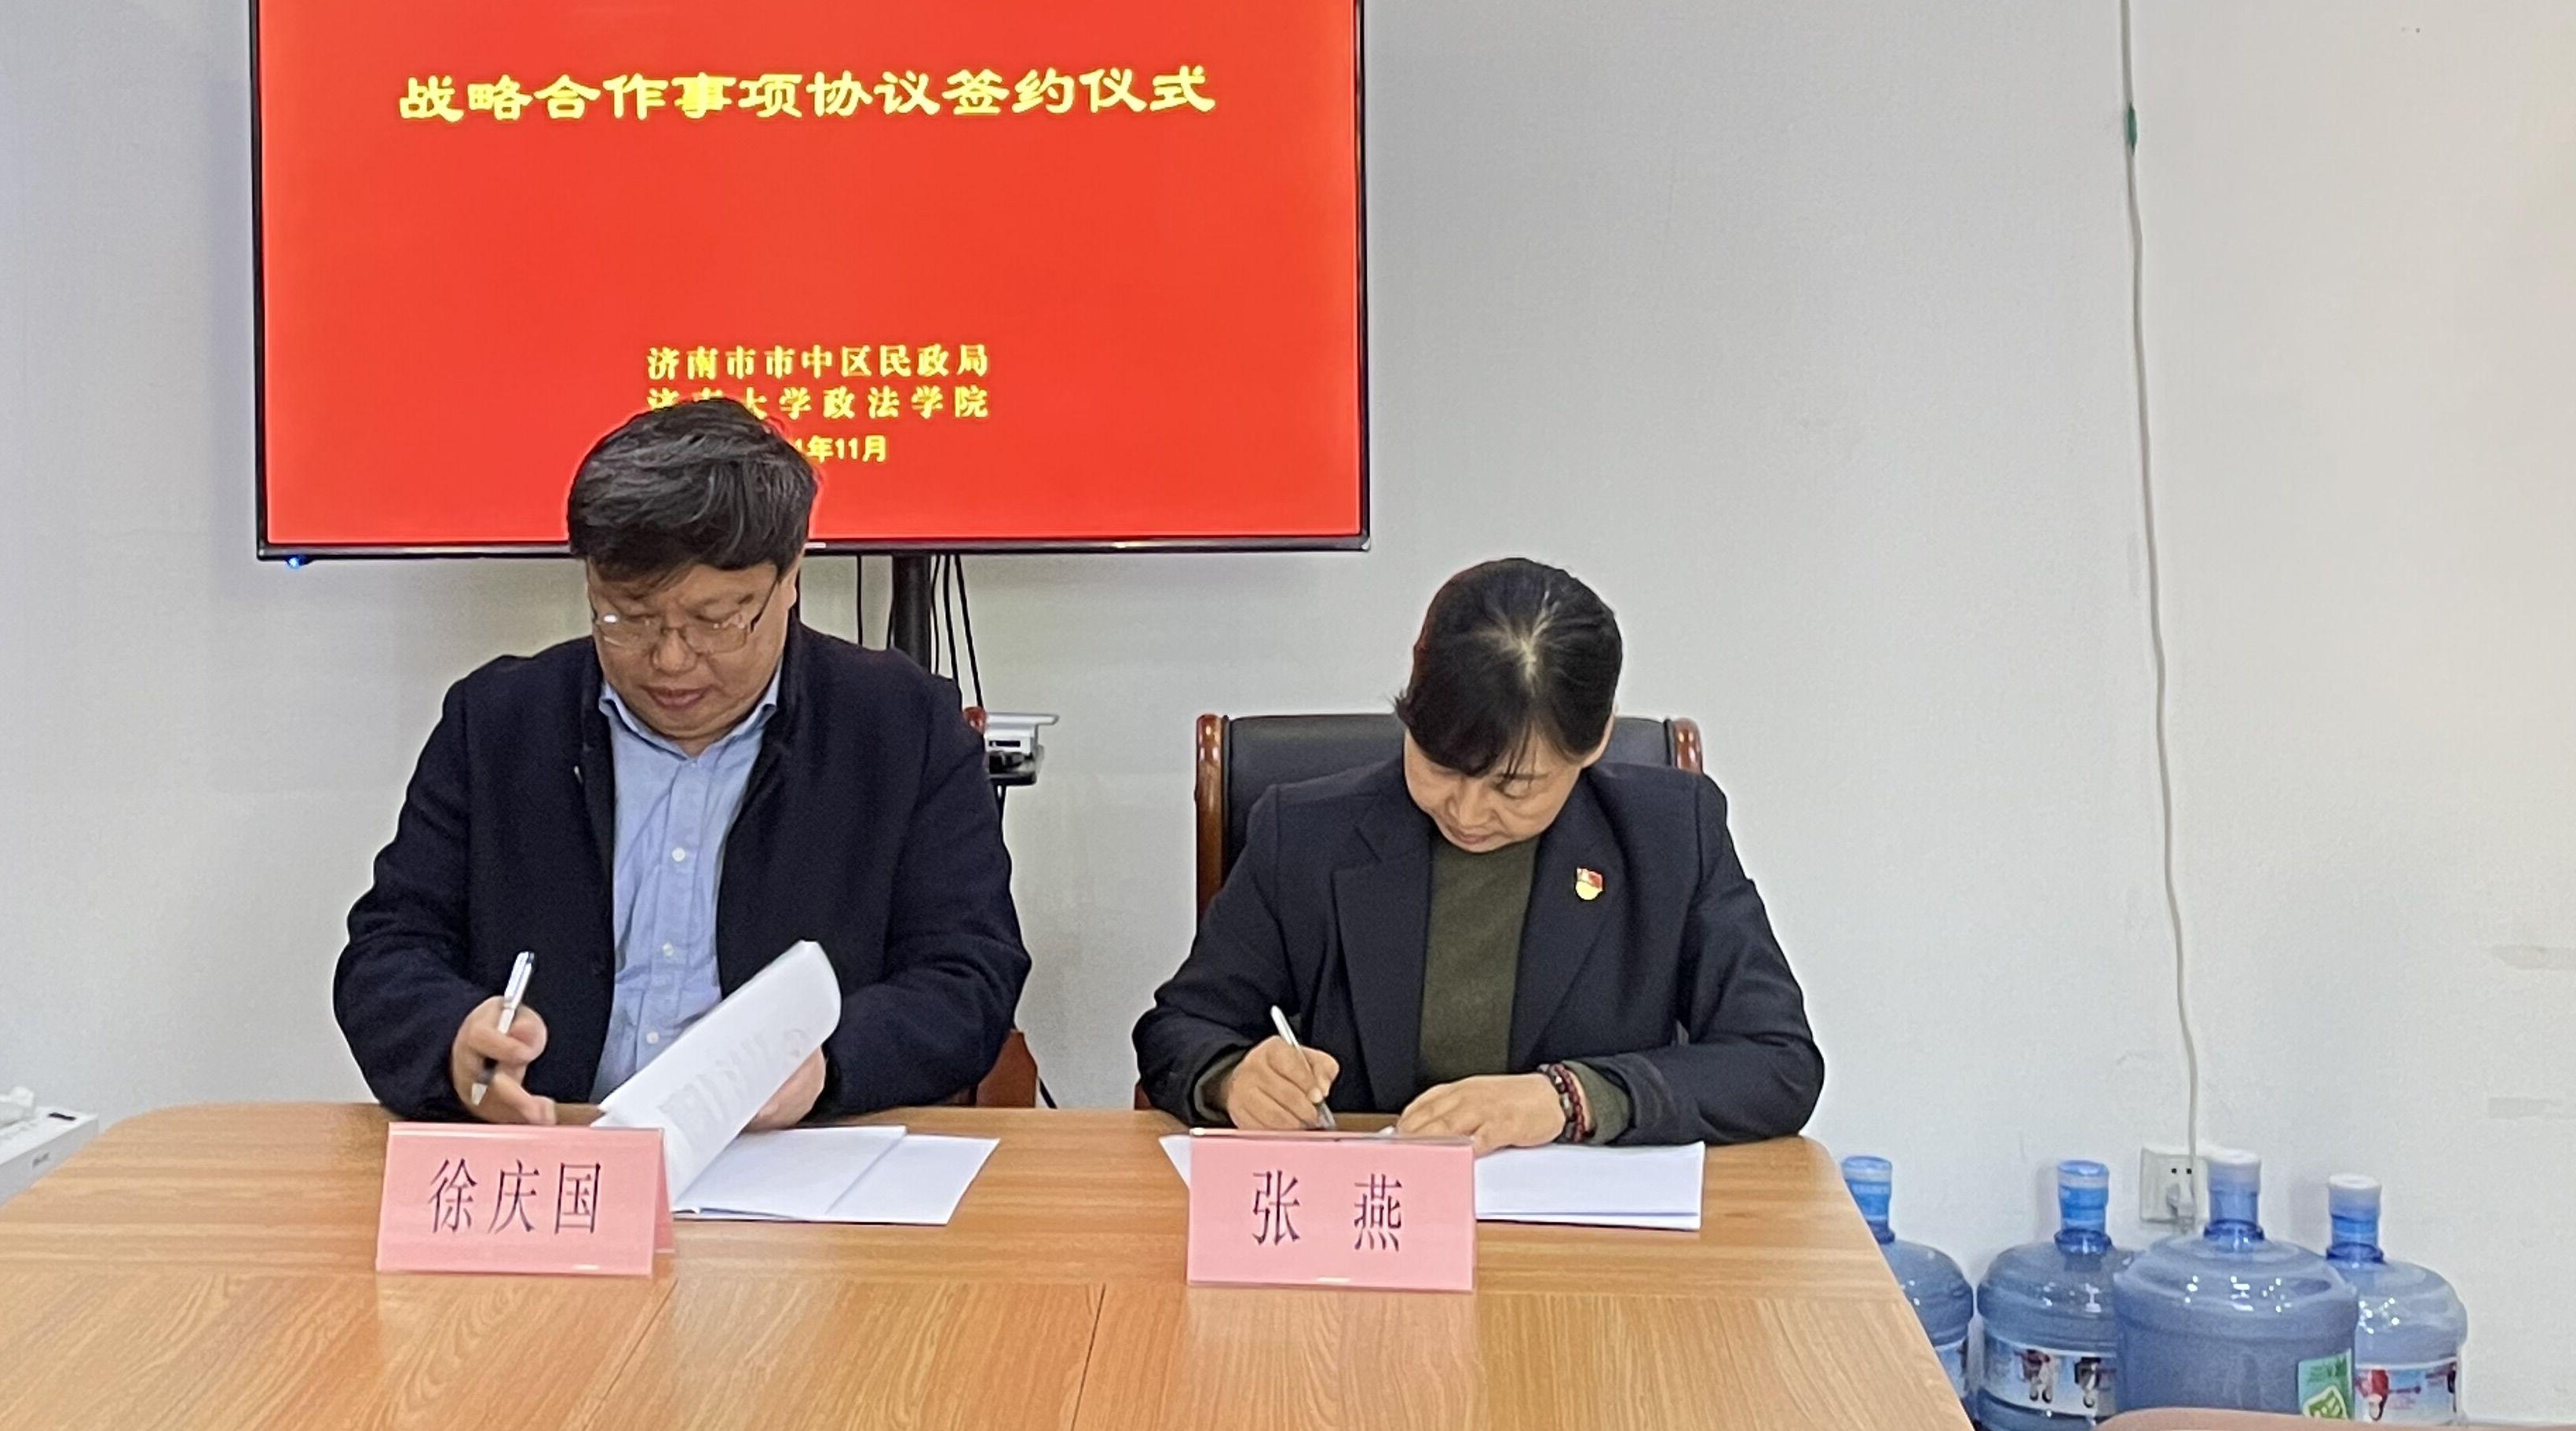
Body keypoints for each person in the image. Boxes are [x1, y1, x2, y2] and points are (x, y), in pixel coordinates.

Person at [335, 400, 1030, 1126]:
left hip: (793, 1159)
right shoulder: (499, 724)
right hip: (557, 1149)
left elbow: (970, 977)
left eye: (715, 620)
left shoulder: (903, 728)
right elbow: (388, 954)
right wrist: (455, 1040)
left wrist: (830, 1064)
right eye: (628, 617)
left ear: (790, 574)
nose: (670, 659)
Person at [1133, 557, 1821, 1147]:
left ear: (1594, 743)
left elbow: (1777, 1061)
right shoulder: (1307, 833)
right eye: (1440, 765)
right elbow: (1181, 1027)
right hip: (1374, 1222)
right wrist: (1232, 1078)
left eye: (1513, 787)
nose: (1465, 811)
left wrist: (1569, 1098)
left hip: (1583, 1235)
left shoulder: (1669, 836)